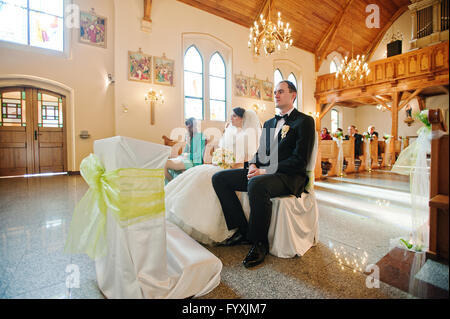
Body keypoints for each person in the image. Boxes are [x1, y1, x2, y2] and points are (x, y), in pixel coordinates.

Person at [212, 81, 315, 268]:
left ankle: (260, 243)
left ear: (293, 95)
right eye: (275, 92)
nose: (276, 95)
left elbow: (299, 160)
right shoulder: (269, 123)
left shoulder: (304, 121)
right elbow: (260, 152)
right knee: (219, 178)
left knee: (257, 184)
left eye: (281, 92)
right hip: (263, 173)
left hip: (289, 176)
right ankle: (243, 231)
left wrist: (265, 171)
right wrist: (252, 164)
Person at [165, 107, 261, 245]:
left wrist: (231, 164)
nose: (231, 118)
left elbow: (250, 158)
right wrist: (219, 160)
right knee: (198, 172)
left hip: (238, 167)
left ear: (242, 118)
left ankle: (207, 224)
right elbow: (223, 151)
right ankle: (185, 215)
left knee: (205, 177)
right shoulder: (231, 132)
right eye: (231, 116)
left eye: (234, 116)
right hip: (225, 166)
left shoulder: (250, 135)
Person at [164, 117, 206, 182]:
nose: (187, 129)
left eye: (189, 127)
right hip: (185, 159)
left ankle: (173, 184)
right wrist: (182, 155)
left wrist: (187, 155)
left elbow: (198, 155)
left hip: (194, 161)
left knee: (165, 164)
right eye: (187, 127)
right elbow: (186, 151)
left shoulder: (200, 136)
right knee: (164, 162)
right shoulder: (188, 136)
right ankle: (172, 184)